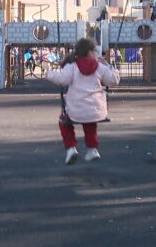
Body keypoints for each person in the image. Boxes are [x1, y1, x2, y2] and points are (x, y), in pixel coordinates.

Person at [47, 37, 120, 165]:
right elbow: (114, 80)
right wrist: (107, 65)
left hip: (76, 110)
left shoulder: (72, 67)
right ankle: (92, 150)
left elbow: (62, 79)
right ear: (90, 53)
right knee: (90, 122)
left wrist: (50, 73)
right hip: (96, 111)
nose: (97, 54)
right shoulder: (100, 67)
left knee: (64, 122)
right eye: (95, 51)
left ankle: (71, 148)